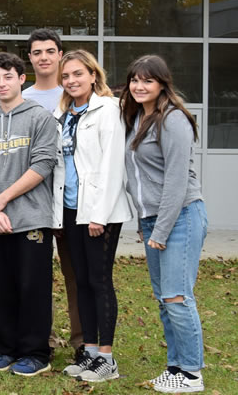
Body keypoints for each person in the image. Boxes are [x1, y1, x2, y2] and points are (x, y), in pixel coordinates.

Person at [120, 55, 207, 393]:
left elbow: (175, 183)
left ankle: (191, 373)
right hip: (154, 219)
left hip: (181, 215)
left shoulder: (173, 120)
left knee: (177, 297)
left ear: (162, 84)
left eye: (148, 81)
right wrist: (145, 221)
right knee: (163, 298)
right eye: (134, 80)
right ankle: (174, 366)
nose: (139, 86)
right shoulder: (137, 118)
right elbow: (138, 178)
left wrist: (161, 229)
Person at [0, 52, 63, 377]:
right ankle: (6, 348)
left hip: (31, 219)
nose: (0, 83)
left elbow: (42, 165)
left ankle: (36, 353)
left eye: (7, 77)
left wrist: (1, 200)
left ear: (21, 79)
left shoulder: (40, 118)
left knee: (32, 288)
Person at [54, 50, 132, 383]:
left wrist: (98, 215)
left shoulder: (108, 110)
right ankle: (88, 351)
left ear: (93, 75)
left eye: (77, 74)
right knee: (81, 282)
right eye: (66, 76)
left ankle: (107, 358)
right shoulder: (65, 114)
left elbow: (113, 165)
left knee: (99, 282)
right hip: (71, 210)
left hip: (99, 212)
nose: (71, 81)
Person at [23, 28, 86, 358]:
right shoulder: (22, 97)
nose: (44, 57)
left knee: (75, 274)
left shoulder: (75, 93)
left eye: (50, 51)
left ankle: (81, 340)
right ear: (30, 58)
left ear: (60, 55)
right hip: (34, 201)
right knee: (36, 274)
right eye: (37, 52)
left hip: (71, 201)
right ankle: (41, 336)